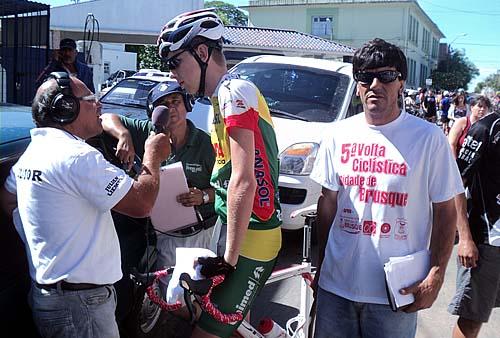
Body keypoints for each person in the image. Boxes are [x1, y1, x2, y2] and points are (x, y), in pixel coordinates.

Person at [309, 38, 463, 338]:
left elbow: (446, 210)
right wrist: (321, 266)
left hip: (396, 295)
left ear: (401, 82)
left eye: (387, 76)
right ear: (357, 85)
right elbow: (327, 203)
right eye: (366, 77)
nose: (375, 84)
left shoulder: (428, 138)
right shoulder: (337, 134)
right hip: (335, 289)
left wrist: (436, 275)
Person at [0, 72, 170, 338]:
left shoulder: (33, 154)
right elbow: (141, 203)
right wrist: (153, 156)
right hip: (81, 304)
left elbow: (9, 198)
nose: (100, 104)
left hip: (52, 296)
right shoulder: (78, 157)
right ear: (67, 109)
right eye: (92, 98)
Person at [157, 9, 282, 338]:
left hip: (254, 235)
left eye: (174, 62)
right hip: (235, 229)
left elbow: (244, 179)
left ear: (201, 53)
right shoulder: (219, 98)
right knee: (223, 323)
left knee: (206, 333)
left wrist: (227, 259)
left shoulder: (234, 92)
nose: (173, 75)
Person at [100, 81, 217, 269]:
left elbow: (227, 189)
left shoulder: (206, 145)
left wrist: (203, 196)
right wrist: (123, 134)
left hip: (198, 235)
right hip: (162, 234)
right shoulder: (148, 132)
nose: (170, 108)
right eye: (163, 105)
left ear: (187, 105)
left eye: (175, 101)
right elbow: (106, 117)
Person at [448, 108, 500, 338]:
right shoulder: (486, 128)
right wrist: (465, 238)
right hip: (488, 238)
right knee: (472, 317)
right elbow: (456, 183)